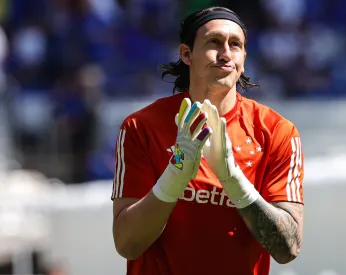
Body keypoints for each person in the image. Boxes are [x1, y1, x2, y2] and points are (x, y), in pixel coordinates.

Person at [111, 6, 304, 275]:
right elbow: (127, 244)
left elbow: (288, 248)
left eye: (235, 45)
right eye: (214, 42)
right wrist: (174, 177)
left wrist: (233, 179)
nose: (226, 54)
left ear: (244, 59)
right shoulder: (141, 127)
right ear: (186, 54)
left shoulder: (277, 132)